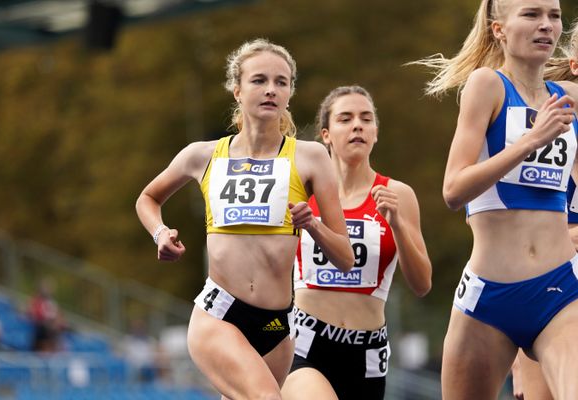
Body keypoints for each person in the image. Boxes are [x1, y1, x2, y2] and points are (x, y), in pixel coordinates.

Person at [135, 39, 354, 399]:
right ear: (237, 90)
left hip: (276, 325)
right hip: (218, 314)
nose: (271, 89)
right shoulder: (203, 155)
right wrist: (159, 232)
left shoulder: (312, 158)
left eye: (281, 82)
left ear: (289, 93)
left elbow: (345, 259)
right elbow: (148, 197)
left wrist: (312, 224)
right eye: (259, 80)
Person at [411, 0, 578, 399]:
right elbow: (453, 190)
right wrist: (532, 140)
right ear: (498, 28)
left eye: (554, 16)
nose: (546, 26)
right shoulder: (487, 85)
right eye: (532, 14)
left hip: (560, 290)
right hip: (489, 298)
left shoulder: (568, 96)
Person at [280, 86, 432, 400]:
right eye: (345, 119)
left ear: (376, 133)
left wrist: (397, 225)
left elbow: (421, 284)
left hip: (367, 351)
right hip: (306, 340)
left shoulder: (398, 195)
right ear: (326, 134)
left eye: (366, 119)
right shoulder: (300, 191)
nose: (357, 126)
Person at [511, 19, 578, 400]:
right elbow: (507, 241)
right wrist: (519, 361)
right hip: (548, 292)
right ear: (574, 67)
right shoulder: (547, 128)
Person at [28, 278, 66, 352]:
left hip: (51, 328)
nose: (48, 290)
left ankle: (57, 351)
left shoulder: (52, 302)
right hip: (41, 328)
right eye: (46, 287)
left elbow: (59, 315)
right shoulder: (36, 300)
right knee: (47, 328)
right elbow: (34, 314)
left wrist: (60, 322)